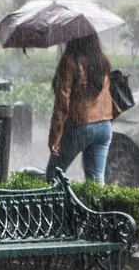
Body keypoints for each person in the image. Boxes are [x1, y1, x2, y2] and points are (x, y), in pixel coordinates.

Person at [46, 32, 116, 183]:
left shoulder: (70, 61)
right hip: (104, 125)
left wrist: (55, 137)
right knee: (96, 182)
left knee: (53, 175)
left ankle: (59, 207)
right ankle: (97, 207)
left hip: (81, 126)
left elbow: (62, 104)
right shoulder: (102, 60)